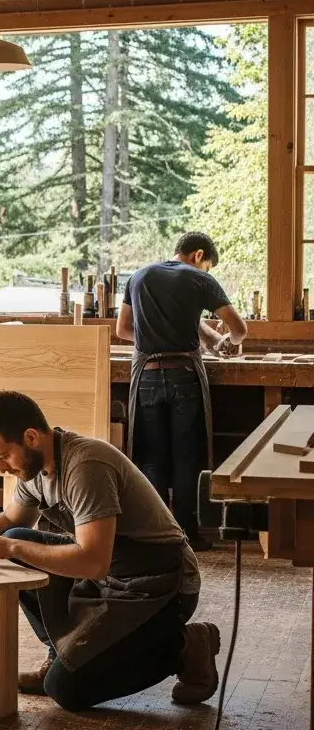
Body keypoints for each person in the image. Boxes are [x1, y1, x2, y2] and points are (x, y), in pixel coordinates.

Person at [0, 391, 217, 711]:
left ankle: (185, 647)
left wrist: (12, 546)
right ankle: (59, 652)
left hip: (161, 582)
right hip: (112, 573)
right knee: (15, 537)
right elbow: (13, 518)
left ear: (30, 437)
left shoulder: (86, 466)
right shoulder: (33, 466)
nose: (1, 467)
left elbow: (93, 561)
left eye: (3, 456)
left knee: (66, 689)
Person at [117, 232, 247, 551]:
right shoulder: (199, 280)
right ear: (198, 255)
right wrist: (228, 345)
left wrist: (156, 338)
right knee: (188, 457)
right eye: (208, 266)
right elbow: (240, 329)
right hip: (184, 377)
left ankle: (156, 534)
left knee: (150, 457)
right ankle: (188, 534)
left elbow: (122, 329)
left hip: (146, 376)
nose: (206, 272)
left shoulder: (139, 276)